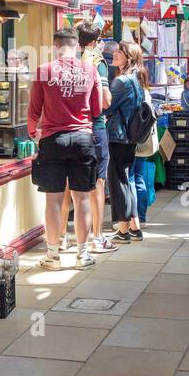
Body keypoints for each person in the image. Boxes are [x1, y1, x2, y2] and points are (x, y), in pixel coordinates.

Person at [27, 27, 103, 270]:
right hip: (82, 138)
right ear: (78, 46)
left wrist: (33, 133)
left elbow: (34, 110)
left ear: (55, 45)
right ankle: (82, 255)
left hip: (53, 139)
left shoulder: (44, 71)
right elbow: (97, 109)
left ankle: (53, 255)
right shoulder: (90, 70)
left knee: (54, 200)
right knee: (81, 199)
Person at [66, 20, 116, 253]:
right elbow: (105, 100)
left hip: (69, 126)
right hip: (93, 127)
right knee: (97, 182)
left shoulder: (66, 61)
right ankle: (96, 237)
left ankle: (60, 238)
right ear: (95, 42)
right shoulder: (97, 62)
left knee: (68, 184)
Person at [106, 40, 148, 243]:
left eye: (119, 52)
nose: (114, 54)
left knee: (119, 182)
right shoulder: (136, 79)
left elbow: (106, 107)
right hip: (129, 138)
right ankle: (135, 228)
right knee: (127, 180)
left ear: (128, 57)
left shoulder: (121, 82)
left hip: (118, 137)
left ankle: (122, 230)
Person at [132, 97, 159, 230]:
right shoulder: (145, 92)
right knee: (139, 177)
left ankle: (131, 219)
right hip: (142, 139)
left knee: (131, 179)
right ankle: (141, 217)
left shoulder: (131, 89)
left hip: (132, 140)